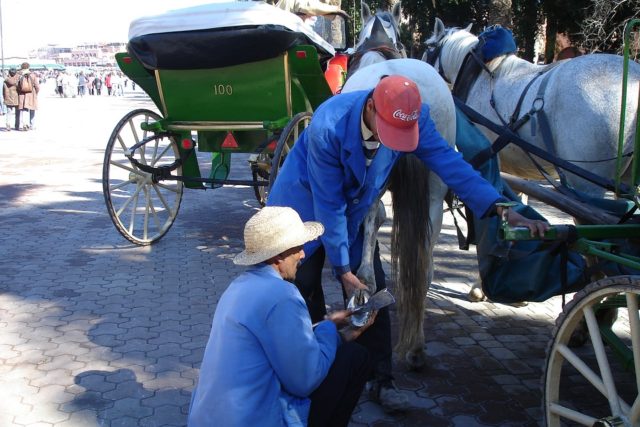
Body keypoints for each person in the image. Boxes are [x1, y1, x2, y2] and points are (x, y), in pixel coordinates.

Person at [267, 75, 549, 412]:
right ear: (371, 107)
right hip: (304, 201)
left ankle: (380, 379)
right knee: (303, 285)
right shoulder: (330, 122)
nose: (397, 142)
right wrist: (343, 268)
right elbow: (329, 204)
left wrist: (500, 206)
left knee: (371, 291)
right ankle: (307, 376)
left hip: (353, 207)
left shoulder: (415, 118)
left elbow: (451, 165)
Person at [188, 206, 376, 427]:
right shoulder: (283, 295)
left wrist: (328, 325)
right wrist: (338, 332)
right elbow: (305, 380)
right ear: (278, 255)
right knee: (356, 357)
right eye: (298, 247)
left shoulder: (238, 286)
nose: (303, 254)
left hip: (206, 419)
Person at [17, 63, 40, 131]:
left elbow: (17, 85)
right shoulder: (33, 75)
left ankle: (22, 125)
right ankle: (31, 125)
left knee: (22, 110)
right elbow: (37, 86)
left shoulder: (19, 75)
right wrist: (36, 93)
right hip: (31, 94)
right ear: (28, 67)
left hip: (22, 94)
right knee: (32, 110)